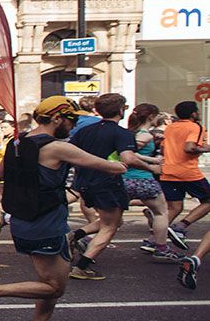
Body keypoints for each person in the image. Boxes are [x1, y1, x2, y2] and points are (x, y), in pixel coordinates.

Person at [0, 95, 128, 321]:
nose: (72, 126)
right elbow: (108, 167)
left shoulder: (18, 142)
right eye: (71, 120)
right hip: (47, 223)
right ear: (57, 118)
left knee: (48, 281)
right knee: (55, 287)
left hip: (24, 219)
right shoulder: (55, 147)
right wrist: (127, 162)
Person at [66, 93, 161, 280]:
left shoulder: (84, 131)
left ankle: (75, 235)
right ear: (120, 110)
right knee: (110, 226)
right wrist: (152, 168)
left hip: (85, 181)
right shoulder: (121, 133)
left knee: (112, 221)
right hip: (108, 182)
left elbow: (70, 154)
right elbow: (128, 158)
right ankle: (81, 267)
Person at [122, 104, 178, 260]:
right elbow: (129, 154)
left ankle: (85, 237)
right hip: (142, 178)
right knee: (162, 212)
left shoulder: (131, 133)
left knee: (112, 219)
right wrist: (153, 160)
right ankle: (161, 248)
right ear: (151, 117)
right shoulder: (144, 135)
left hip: (124, 179)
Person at [163, 100, 210, 237]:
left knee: (175, 207)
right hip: (187, 172)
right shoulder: (195, 127)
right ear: (193, 113)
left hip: (168, 171)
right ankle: (180, 226)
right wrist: (205, 149)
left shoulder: (171, 127)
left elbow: (162, 147)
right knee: (208, 201)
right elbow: (189, 148)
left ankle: (154, 240)